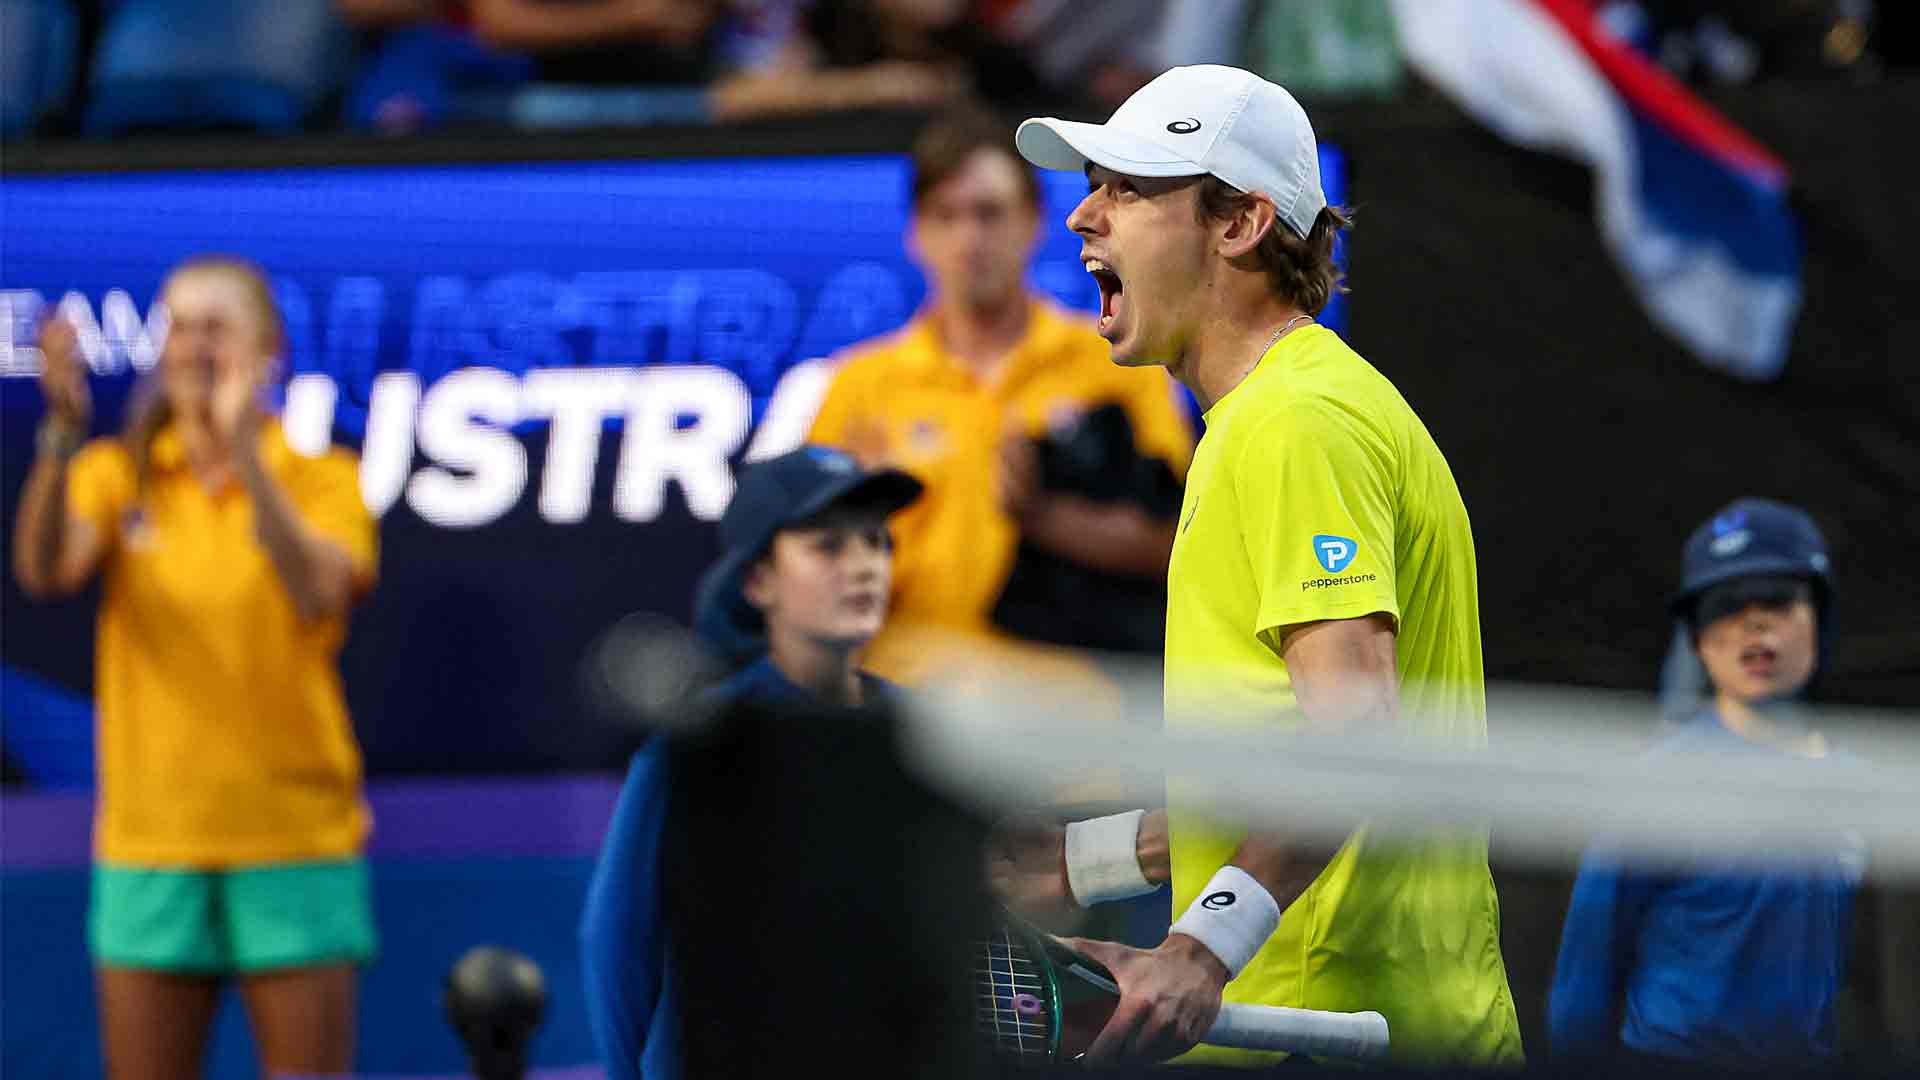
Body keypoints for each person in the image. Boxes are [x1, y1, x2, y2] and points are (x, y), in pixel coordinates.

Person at [1000, 65, 1525, 1067]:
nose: (1082, 219)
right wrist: (1087, 860)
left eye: (1128, 188)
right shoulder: (1279, 415)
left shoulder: (1296, 426)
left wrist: (1200, 950)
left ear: (1239, 223)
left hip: (1343, 1035)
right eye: (1092, 186)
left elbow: (1355, 741)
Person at [11, 256, 379, 1078]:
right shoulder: (117, 473)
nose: (194, 347)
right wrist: (60, 436)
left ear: (267, 351)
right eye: (179, 327)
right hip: (150, 845)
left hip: (293, 840)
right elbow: (43, 571)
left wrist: (248, 459)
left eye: (217, 327)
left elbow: (319, 591)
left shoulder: (322, 478)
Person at [805, 103, 1195, 692]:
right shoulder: (860, 386)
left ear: (1033, 221)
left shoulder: (1118, 361)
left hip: (1074, 703)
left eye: (990, 214)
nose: (970, 239)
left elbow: (1184, 545)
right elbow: (805, 578)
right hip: (903, 694)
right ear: (916, 233)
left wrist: (1046, 518)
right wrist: (865, 523)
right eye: (947, 216)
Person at [579, 445, 922, 1080]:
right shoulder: (695, 744)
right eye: (828, 546)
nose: (865, 567)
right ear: (757, 581)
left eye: (877, 542)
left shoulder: (922, 734)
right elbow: (620, 945)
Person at [1549, 497, 1866, 1066]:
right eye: (1723, 605)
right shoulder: (1659, 785)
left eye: (1776, 598)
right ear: (1695, 638)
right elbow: (1585, 975)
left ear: (1820, 615)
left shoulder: (1866, 790)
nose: (1752, 620)